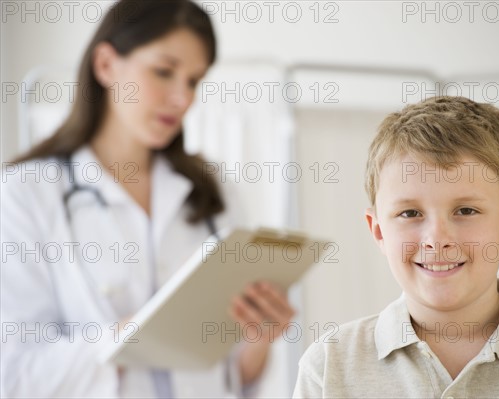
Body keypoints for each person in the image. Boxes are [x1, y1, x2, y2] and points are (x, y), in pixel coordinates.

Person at [0, 0, 295, 397]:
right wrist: (129, 337)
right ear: (105, 65)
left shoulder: (213, 191)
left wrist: (259, 337)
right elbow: (15, 375)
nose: (182, 99)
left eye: (193, 81)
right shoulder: (25, 194)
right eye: (163, 71)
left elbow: (234, 379)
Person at [292, 96, 499, 398]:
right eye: (410, 213)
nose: (437, 239)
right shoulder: (329, 367)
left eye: (465, 211)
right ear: (379, 231)